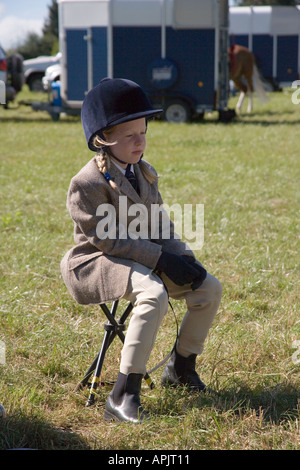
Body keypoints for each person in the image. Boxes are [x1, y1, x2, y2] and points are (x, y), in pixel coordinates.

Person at [61, 78, 222, 424]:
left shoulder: (144, 173)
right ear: (102, 139)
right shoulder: (86, 183)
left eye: (143, 132)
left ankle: (181, 368)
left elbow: (159, 224)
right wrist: (161, 260)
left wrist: (182, 256)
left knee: (209, 288)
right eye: (129, 135)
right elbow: (108, 241)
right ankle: (122, 394)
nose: (140, 142)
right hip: (95, 261)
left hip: (141, 255)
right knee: (153, 292)